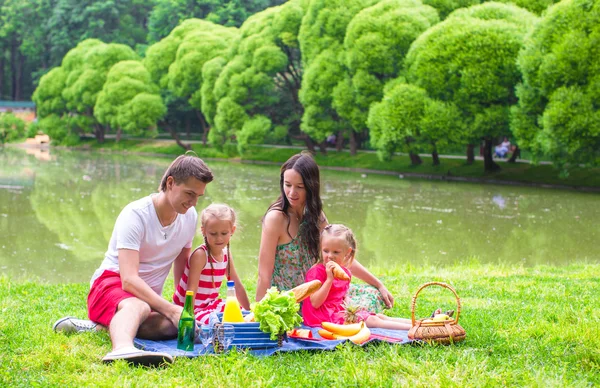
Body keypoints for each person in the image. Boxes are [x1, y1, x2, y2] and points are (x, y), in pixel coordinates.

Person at [53, 153, 213, 366]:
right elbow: (128, 279)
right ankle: (122, 349)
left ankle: (98, 327)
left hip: (146, 298)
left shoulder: (189, 216)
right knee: (141, 308)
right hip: (110, 284)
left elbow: (182, 263)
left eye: (198, 197)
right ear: (171, 182)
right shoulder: (136, 214)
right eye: (189, 194)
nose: (193, 203)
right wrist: (170, 309)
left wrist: (181, 306)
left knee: (172, 326)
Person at [255, 152, 394, 312]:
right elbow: (264, 275)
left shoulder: (315, 215)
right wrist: (259, 313)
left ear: (311, 187)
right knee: (354, 310)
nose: (292, 193)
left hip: (319, 293)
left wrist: (379, 284)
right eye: (287, 185)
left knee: (372, 295)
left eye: (299, 187)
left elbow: (339, 256)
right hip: (289, 301)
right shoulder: (276, 218)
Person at [302, 224, 411, 330]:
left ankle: (419, 323)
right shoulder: (316, 272)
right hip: (320, 317)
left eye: (336, 252)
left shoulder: (344, 273)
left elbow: (339, 296)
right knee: (373, 320)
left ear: (347, 252)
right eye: (326, 251)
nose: (330, 256)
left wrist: (349, 304)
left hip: (336, 311)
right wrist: (329, 280)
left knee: (379, 317)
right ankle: (412, 329)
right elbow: (315, 303)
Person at [172, 204, 250, 324]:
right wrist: (189, 320)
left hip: (210, 305)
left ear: (232, 230)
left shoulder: (226, 253)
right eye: (213, 233)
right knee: (218, 324)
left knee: (237, 314)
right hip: (191, 308)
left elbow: (237, 285)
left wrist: (248, 312)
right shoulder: (201, 255)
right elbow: (191, 290)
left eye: (224, 233)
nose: (219, 238)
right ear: (204, 231)